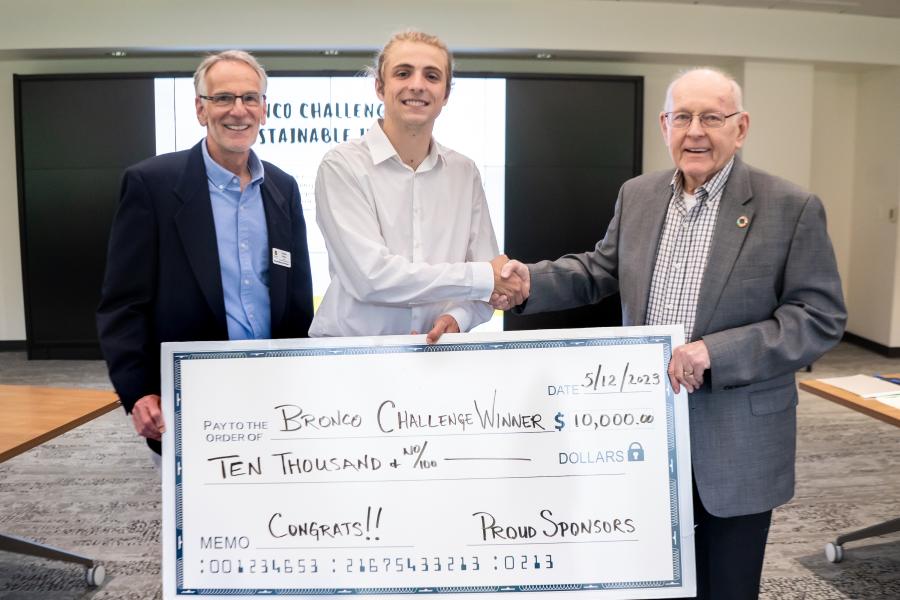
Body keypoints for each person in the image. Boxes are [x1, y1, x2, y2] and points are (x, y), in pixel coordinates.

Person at [494, 68, 846, 599]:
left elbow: (818, 317)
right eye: (683, 117)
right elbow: (599, 270)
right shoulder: (638, 194)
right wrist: (528, 285)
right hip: (643, 434)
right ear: (665, 125)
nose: (696, 131)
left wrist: (716, 352)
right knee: (649, 583)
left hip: (735, 442)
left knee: (726, 586)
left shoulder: (790, 207)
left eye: (712, 117)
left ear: (741, 127)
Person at [97, 50, 314, 455]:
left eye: (251, 98)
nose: (239, 110)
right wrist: (138, 390)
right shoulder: (151, 185)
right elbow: (122, 304)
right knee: (198, 513)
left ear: (264, 109)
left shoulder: (282, 188)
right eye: (223, 98)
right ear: (201, 109)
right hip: (190, 391)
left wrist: (301, 376)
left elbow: (297, 298)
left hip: (273, 387)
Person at [310, 30, 524, 343]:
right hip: (352, 357)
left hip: (433, 356)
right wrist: (482, 278)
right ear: (380, 87)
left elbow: (486, 285)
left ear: (446, 94)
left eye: (432, 76)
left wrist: (458, 317)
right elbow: (370, 278)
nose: (417, 85)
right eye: (403, 73)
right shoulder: (342, 166)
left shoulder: (465, 173)